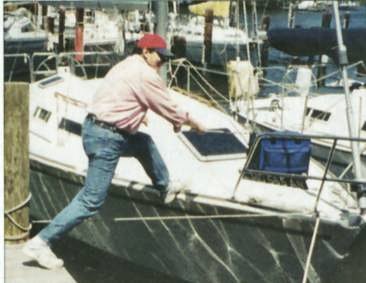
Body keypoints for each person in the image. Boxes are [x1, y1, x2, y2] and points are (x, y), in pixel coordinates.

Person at [23, 33, 206, 269]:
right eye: (160, 57)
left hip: (96, 130)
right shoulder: (144, 74)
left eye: (165, 58)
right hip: (107, 139)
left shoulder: (125, 66)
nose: (163, 62)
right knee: (91, 201)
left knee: (143, 143)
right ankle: (40, 242)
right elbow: (167, 105)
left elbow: (113, 98)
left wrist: (134, 117)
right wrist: (192, 123)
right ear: (146, 52)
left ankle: (165, 186)